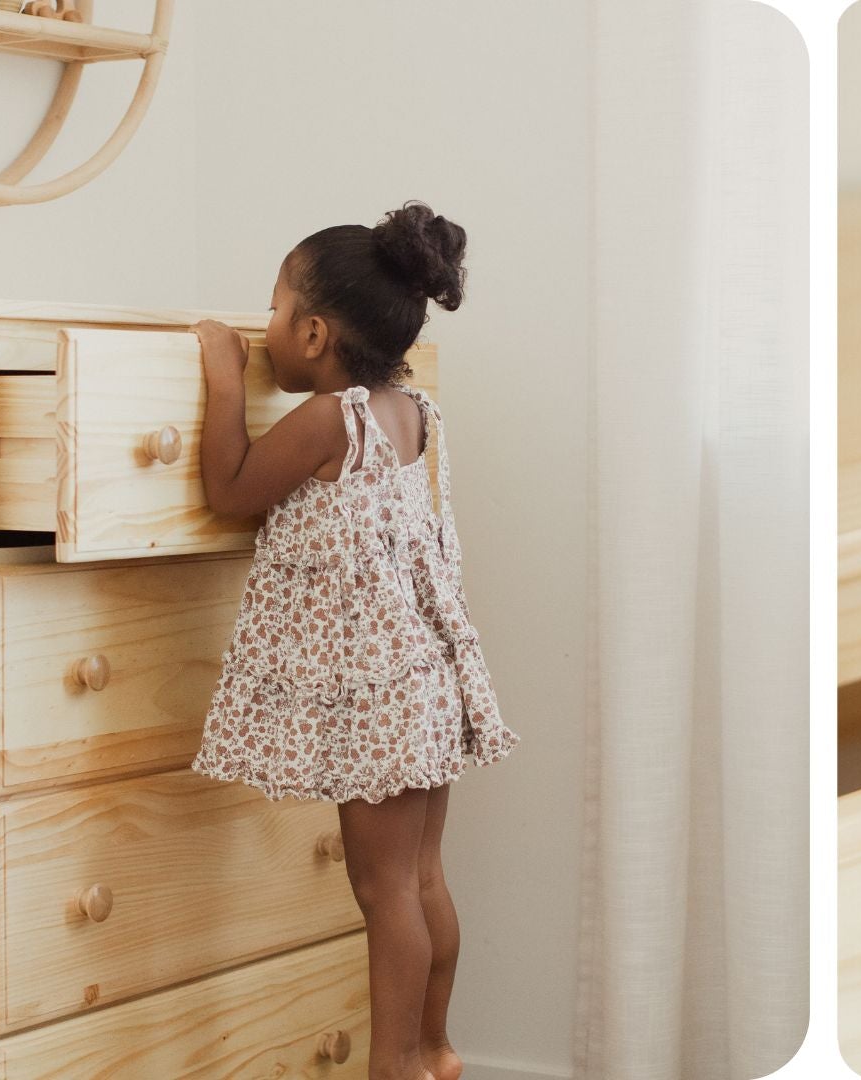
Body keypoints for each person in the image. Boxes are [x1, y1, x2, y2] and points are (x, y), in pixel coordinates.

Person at [189, 201, 520, 1080]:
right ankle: (437, 1046)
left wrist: (225, 377)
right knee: (421, 880)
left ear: (312, 331)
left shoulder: (329, 421)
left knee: (381, 893)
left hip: (378, 700)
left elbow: (228, 488)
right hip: (423, 682)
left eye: (269, 310)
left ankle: (391, 1065)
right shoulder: (408, 411)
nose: (260, 329)